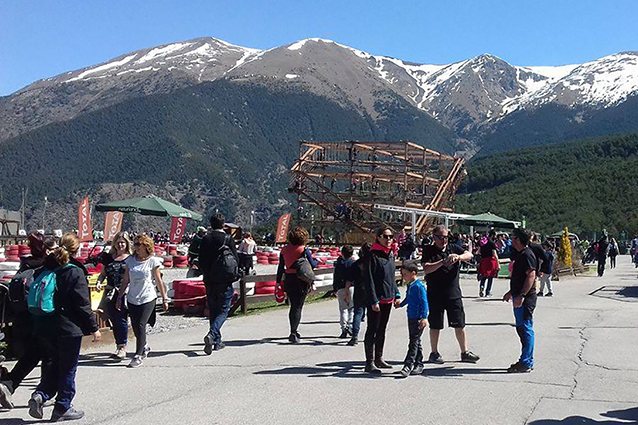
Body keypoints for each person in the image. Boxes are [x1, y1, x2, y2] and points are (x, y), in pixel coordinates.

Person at [28, 233, 101, 421]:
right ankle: (62, 407)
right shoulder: (74, 271)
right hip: (68, 328)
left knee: (54, 365)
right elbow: (82, 304)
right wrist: (94, 328)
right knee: (68, 368)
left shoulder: (45, 269)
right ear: (76, 250)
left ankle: (41, 395)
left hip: (44, 325)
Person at [0, 234, 56, 409]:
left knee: (31, 355)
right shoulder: (46, 268)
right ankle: (43, 393)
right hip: (42, 319)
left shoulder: (24, 265)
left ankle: (9, 384)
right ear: (47, 251)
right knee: (49, 356)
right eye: (54, 249)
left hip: (21, 320)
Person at [421, 224, 479, 364]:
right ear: (434, 237)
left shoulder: (453, 248)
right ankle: (434, 352)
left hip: (453, 293)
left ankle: (464, 352)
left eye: (446, 237)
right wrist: (442, 262)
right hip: (435, 293)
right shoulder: (429, 250)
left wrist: (458, 257)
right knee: (435, 324)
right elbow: (426, 268)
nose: (444, 240)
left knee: (459, 323)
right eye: (440, 237)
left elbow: (469, 255)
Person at [116, 234, 169, 368]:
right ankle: (144, 346)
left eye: (139, 244)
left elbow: (158, 281)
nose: (136, 247)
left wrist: (164, 298)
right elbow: (126, 280)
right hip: (133, 297)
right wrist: (119, 296)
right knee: (134, 325)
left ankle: (138, 355)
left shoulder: (153, 261)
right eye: (135, 244)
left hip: (148, 297)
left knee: (141, 324)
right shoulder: (130, 261)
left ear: (146, 246)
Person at [198, 214, 240, 354]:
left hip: (210, 279)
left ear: (211, 224)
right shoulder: (228, 239)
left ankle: (217, 341)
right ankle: (212, 334)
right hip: (225, 280)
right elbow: (235, 259)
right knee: (223, 311)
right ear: (224, 225)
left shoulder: (206, 238)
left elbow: (201, 260)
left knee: (213, 310)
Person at [362, 227, 401, 374]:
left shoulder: (390, 254)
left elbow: (391, 277)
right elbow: (369, 280)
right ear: (378, 237)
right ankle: (369, 362)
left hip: (388, 298)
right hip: (376, 299)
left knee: (382, 330)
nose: (389, 239)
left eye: (391, 236)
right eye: (385, 236)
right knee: (372, 330)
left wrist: (396, 294)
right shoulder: (372, 255)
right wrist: (373, 300)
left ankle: (379, 358)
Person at [502, 227, 537, 373]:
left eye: (513, 237)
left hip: (525, 299)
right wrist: (511, 292)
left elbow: (531, 276)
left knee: (525, 329)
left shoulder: (527, 254)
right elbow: (520, 277)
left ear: (518, 239)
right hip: (519, 296)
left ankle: (526, 362)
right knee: (522, 329)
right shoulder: (521, 254)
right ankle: (526, 359)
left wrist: (522, 295)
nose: (511, 239)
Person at [275, 227, 318, 343]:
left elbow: (280, 267)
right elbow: (312, 264)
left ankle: (293, 329)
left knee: (293, 305)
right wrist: (317, 261)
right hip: (301, 279)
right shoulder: (303, 250)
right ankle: (293, 332)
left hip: (289, 278)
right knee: (298, 307)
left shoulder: (284, 250)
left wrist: (278, 282)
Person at [96, 232, 132, 360]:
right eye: (118, 242)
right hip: (110, 292)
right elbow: (102, 274)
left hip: (124, 292)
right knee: (111, 318)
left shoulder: (130, 258)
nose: (120, 245)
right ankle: (119, 344)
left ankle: (122, 346)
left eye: (123, 242)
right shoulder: (109, 258)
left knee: (121, 318)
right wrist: (99, 282)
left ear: (127, 244)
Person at [396, 261, 429, 378]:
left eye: (405, 274)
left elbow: (424, 303)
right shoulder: (410, 285)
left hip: (418, 318)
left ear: (413, 273)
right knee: (416, 340)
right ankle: (419, 363)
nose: (403, 277)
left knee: (413, 342)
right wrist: (400, 304)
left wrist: (424, 317)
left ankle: (408, 365)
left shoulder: (419, 287)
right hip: (411, 316)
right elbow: (409, 299)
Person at [346, 243, 370, 346]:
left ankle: (354, 336)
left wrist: (346, 291)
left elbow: (349, 280)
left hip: (359, 290)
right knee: (372, 315)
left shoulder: (356, 264)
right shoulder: (374, 263)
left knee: (358, 313)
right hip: (371, 291)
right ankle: (371, 335)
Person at [333, 245, 355, 338]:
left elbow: (335, 277)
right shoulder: (353, 264)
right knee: (351, 308)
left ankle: (343, 327)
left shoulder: (338, 264)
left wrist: (335, 288)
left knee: (343, 309)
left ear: (342, 253)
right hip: (352, 287)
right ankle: (350, 324)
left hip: (341, 288)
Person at [478, 230, 500, 297]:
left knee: (484, 276)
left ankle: (482, 287)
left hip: (483, 260)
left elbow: (479, 251)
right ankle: (488, 292)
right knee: (490, 277)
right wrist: (498, 263)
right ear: (493, 235)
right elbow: (494, 254)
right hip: (490, 261)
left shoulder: (483, 242)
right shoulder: (491, 243)